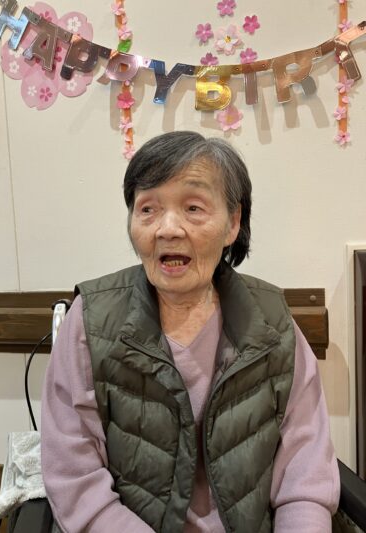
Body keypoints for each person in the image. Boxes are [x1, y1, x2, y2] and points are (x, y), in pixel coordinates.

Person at [41, 131, 340, 532]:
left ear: (233, 223)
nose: (167, 228)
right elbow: (74, 478)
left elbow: (306, 472)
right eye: (148, 209)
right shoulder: (89, 321)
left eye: (193, 208)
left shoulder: (272, 322)